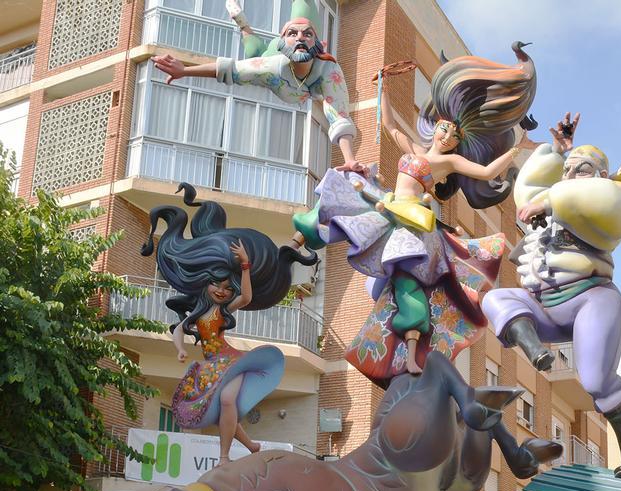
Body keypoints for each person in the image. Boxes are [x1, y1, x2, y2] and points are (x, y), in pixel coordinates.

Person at [292, 46, 537, 380]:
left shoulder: (448, 162)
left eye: (455, 135)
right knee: (344, 184)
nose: (448, 135)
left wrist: (516, 149)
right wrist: (385, 88)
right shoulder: (414, 150)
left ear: (456, 144)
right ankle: (297, 241)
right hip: (389, 206)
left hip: (411, 225)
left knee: (409, 287)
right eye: (445, 128)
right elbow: (389, 124)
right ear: (435, 127)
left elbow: (487, 173)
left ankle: (409, 356)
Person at [481, 111, 621, 478]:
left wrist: (555, 197)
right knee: (495, 299)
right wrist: (557, 153)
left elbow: (596, 200)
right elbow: (542, 189)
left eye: (582, 170)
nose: (570, 177)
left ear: (602, 178)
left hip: (592, 298)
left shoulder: (602, 211)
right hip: (547, 307)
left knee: (596, 381)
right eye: (567, 171)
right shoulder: (550, 211)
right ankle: (535, 351)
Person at [142, 188, 312, 466]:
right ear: (204, 283)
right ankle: (251, 445)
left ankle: (224, 457)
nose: (222, 291)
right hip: (211, 368)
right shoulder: (197, 313)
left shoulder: (223, 309)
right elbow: (178, 329)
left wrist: (245, 265)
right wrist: (180, 349)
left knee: (229, 401)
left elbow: (245, 297)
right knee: (224, 406)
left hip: (231, 361)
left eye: (225, 287)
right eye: (216, 285)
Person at [152, 0, 366, 175]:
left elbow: (338, 115)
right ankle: (243, 24)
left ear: (320, 44)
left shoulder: (328, 69)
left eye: (307, 34)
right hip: (276, 74)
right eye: (292, 34)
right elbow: (230, 69)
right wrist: (184, 71)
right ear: (283, 42)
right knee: (255, 52)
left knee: (303, 6)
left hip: (305, 89)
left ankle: (253, 25)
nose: (300, 38)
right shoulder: (272, 65)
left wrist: (350, 160)